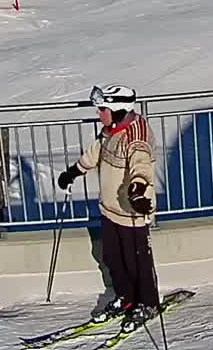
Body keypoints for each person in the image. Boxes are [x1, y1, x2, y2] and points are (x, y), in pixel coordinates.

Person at [57, 84, 160, 327]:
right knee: (112, 257)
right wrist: (75, 171)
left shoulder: (137, 134)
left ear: (118, 110)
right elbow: (96, 151)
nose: (98, 114)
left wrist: (139, 189)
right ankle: (126, 297)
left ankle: (147, 303)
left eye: (102, 109)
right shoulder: (111, 129)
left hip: (133, 210)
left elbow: (141, 164)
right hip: (110, 209)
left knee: (137, 262)